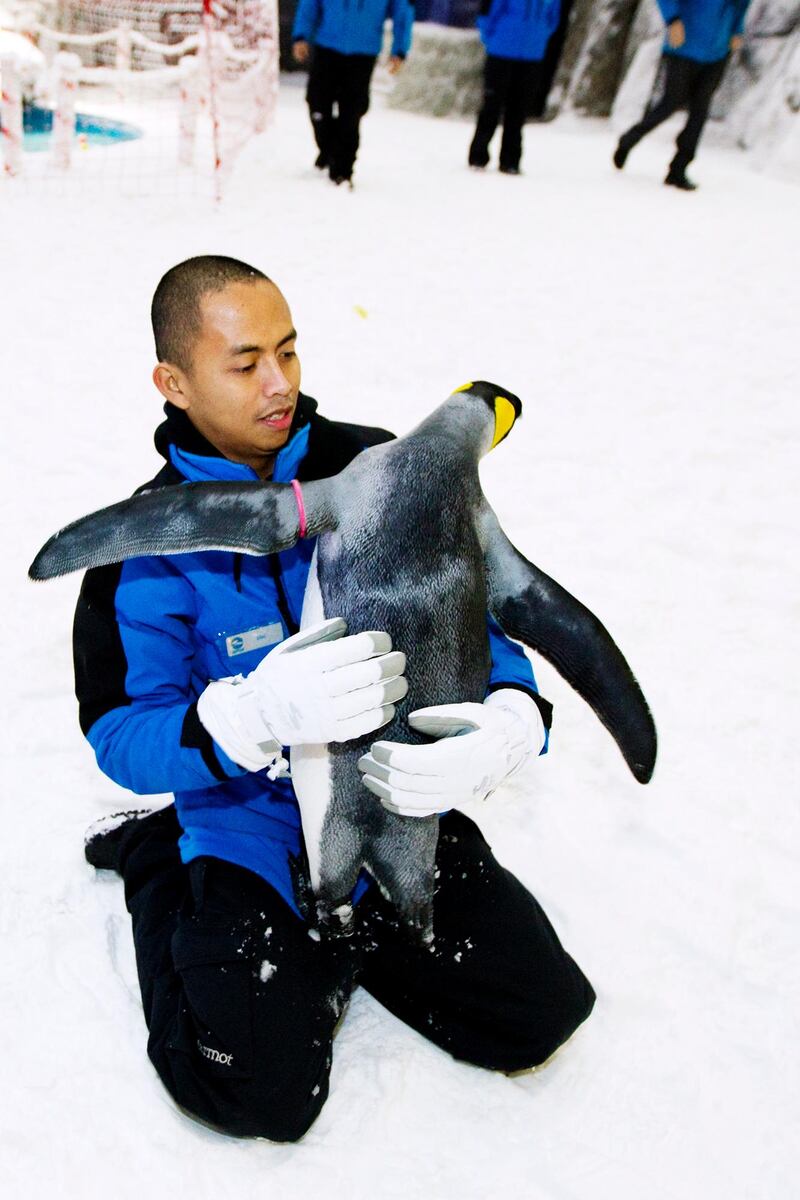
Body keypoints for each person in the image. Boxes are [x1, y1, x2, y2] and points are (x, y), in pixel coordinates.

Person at [76, 254, 595, 1142]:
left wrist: (511, 720)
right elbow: (121, 732)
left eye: (288, 350)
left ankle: (357, 930)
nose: (278, 384)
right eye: (244, 364)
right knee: (252, 1092)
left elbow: (478, 621)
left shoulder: (378, 466)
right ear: (175, 380)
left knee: (538, 1014)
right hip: (248, 825)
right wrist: (247, 718)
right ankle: (159, 864)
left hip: (391, 808)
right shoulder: (150, 539)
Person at [613, 0, 751, 190]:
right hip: (684, 45)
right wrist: (673, 20)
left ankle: (678, 168)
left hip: (717, 51)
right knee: (670, 103)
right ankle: (629, 139)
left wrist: (737, 30)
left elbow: (741, 5)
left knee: (700, 109)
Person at [291, 0, 414, 187]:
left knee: (352, 112)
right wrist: (301, 36)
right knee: (318, 105)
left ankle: (342, 170)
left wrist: (399, 50)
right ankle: (330, 149)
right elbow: (309, 4)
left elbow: (402, 11)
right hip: (327, 47)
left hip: (363, 54)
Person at [468, 0, 562, 175]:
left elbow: (553, 19)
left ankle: (511, 160)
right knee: (492, 105)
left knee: (519, 109)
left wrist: (539, 36)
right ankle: (478, 155)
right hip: (500, 51)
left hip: (532, 55)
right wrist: (492, 38)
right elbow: (489, 12)